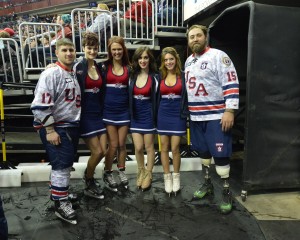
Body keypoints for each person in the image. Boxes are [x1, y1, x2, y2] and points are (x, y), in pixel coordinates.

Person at [184, 25, 239, 214]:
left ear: (205, 37)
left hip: (216, 115)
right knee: (204, 153)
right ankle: (207, 184)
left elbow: (231, 81)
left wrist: (230, 110)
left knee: (221, 155)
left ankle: (226, 190)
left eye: (198, 35)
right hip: (197, 116)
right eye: (191, 37)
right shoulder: (188, 61)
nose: (195, 39)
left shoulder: (218, 56)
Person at [31, 38, 81, 224]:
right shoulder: (51, 73)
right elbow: (39, 106)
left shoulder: (74, 70)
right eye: (64, 50)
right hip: (57, 126)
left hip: (69, 125)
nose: (69, 53)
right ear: (56, 53)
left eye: (71, 49)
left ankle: (59, 193)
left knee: (64, 163)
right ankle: (61, 203)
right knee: (61, 164)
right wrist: (50, 129)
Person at [75, 32, 107, 199]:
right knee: (97, 151)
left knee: (103, 151)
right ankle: (89, 180)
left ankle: (89, 175)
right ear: (83, 48)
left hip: (98, 114)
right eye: (89, 48)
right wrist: (52, 66)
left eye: (95, 48)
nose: (92, 51)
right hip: (85, 115)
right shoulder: (78, 66)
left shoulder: (100, 67)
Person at [157, 47, 188, 196]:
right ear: (163, 62)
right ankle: (167, 177)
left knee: (175, 148)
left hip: (178, 115)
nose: (169, 62)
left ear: (176, 60)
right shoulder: (159, 76)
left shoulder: (183, 76)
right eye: (166, 60)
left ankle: (176, 177)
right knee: (164, 147)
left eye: (171, 59)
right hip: (163, 114)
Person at [101, 36, 131, 192]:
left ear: (123, 49)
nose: (117, 52)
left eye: (119, 49)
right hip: (109, 111)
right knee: (112, 144)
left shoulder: (129, 68)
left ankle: (121, 170)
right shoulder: (104, 67)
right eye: (114, 49)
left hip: (124, 111)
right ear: (110, 51)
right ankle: (108, 172)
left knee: (121, 144)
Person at [128, 46, 159, 191]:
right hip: (136, 116)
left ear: (149, 59)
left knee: (149, 147)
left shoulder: (155, 77)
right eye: (140, 58)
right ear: (136, 60)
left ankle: (149, 173)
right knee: (138, 147)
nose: (143, 60)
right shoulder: (132, 76)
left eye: (146, 57)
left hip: (148, 116)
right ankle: (140, 170)